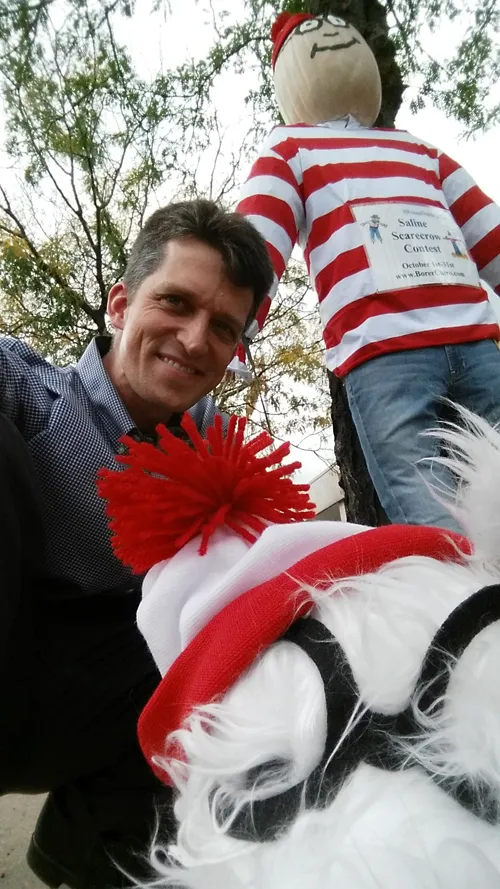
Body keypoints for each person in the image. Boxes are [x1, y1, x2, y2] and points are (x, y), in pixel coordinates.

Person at [0, 197, 273, 889]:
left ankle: (89, 862)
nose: (193, 338)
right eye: (175, 302)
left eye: (222, 327)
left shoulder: (223, 465)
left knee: (226, 629)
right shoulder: (21, 388)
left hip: (83, 705)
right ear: (121, 302)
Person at [233, 11, 500, 533]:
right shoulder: (294, 148)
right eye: (313, 40)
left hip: (419, 349)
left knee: (435, 521)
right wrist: (233, 322)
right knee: (436, 527)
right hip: (402, 351)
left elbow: (488, 231)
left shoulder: (421, 150)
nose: (331, 39)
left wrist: (235, 321)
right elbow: (256, 240)